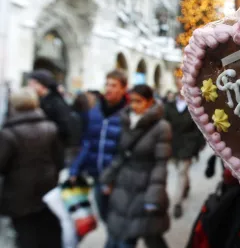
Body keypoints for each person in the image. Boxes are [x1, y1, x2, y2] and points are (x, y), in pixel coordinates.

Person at [102, 84, 171, 248]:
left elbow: (161, 164)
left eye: (138, 101)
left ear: (150, 102)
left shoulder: (161, 127)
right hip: (123, 184)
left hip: (146, 187)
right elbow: (121, 154)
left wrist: (154, 196)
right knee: (118, 234)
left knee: (148, 235)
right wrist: (108, 178)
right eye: (131, 101)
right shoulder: (125, 120)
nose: (134, 106)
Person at [0, 87, 62, 248]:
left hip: (18, 194)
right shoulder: (50, 127)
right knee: (44, 233)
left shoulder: (9, 133)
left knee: (25, 235)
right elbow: (59, 160)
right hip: (47, 189)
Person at [70, 69, 128, 222]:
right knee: (105, 217)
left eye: (114, 85)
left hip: (119, 179)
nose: (108, 88)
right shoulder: (94, 112)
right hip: (97, 176)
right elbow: (88, 142)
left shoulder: (128, 114)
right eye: (107, 84)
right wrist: (75, 168)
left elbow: (126, 149)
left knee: (118, 221)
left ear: (123, 88)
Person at [165, 76, 206, 219]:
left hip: (189, 144)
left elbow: (200, 126)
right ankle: (186, 186)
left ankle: (177, 203)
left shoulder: (195, 105)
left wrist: (200, 144)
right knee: (181, 171)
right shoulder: (169, 105)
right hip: (174, 145)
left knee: (182, 172)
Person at [27, 69, 71, 145]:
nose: (29, 86)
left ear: (42, 85)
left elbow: (64, 130)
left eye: (32, 83)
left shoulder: (56, 103)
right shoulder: (38, 99)